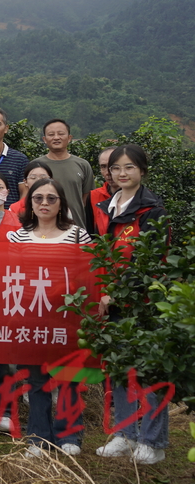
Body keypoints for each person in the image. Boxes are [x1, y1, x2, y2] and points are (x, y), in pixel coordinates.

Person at [93, 144, 169, 465]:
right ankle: (125, 435)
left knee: (148, 371)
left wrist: (118, 293)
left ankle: (153, 442)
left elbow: (148, 262)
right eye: (116, 168)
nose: (121, 173)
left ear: (142, 170)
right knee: (120, 369)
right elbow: (98, 255)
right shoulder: (106, 207)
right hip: (110, 302)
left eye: (129, 167)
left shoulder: (152, 210)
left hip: (143, 303)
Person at [7, 178, 91, 458]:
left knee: (69, 378)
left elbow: (91, 274)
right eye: (38, 198)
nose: (44, 203)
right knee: (36, 380)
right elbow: (10, 277)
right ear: (30, 203)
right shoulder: (18, 237)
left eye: (51, 198)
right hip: (31, 318)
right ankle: (38, 438)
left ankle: (70, 436)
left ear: (61, 203)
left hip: (68, 319)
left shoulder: (77, 235)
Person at [33, 119, 94, 229]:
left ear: (69, 138)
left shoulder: (83, 165)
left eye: (61, 134)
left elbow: (87, 199)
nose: (56, 137)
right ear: (44, 139)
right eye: (51, 134)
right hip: (43, 228)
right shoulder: (36, 165)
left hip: (76, 227)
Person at [86, 147, 117, 235]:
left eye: (113, 166)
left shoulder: (142, 197)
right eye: (103, 167)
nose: (108, 172)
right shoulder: (93, 196)